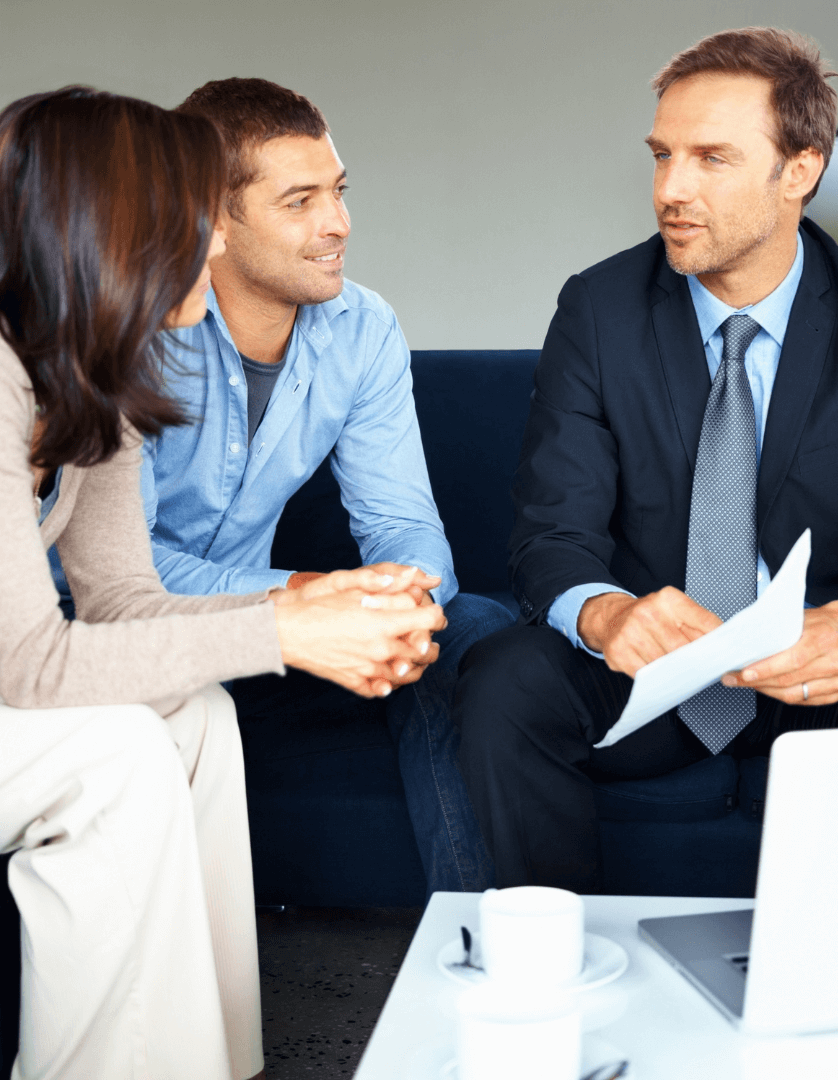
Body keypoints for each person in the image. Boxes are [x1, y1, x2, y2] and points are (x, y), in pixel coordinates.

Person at [0, 87, 446, 1080]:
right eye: (198, 219)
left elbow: (125, 610)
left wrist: (312, 608)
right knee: (111, 755)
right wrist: (285, 630)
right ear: (125, 226)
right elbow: (35, 665)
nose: (215, 248)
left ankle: (223, 1068)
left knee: (189, 716)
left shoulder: (90, 377)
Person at [453, 28, 838, 893]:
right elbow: (550, 533)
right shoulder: (598, 307)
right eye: (661, 155)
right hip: (655, 682)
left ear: (799, 170)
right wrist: (610, 615)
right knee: (505, 678)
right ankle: (554, 965)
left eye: (710, 159)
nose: (669, 189)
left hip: (834, 683)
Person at [117, 78, 512, 893]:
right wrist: (306, 596)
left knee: (471, 630)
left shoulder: (363, 326)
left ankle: (480, 938)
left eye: (337, 191)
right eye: (299, 201)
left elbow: (401, 517)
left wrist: (407, 597)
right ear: (212, 218)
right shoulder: (130, 332)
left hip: (282, 647)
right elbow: (122, 576)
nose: (338, 224)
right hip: (134, 640)